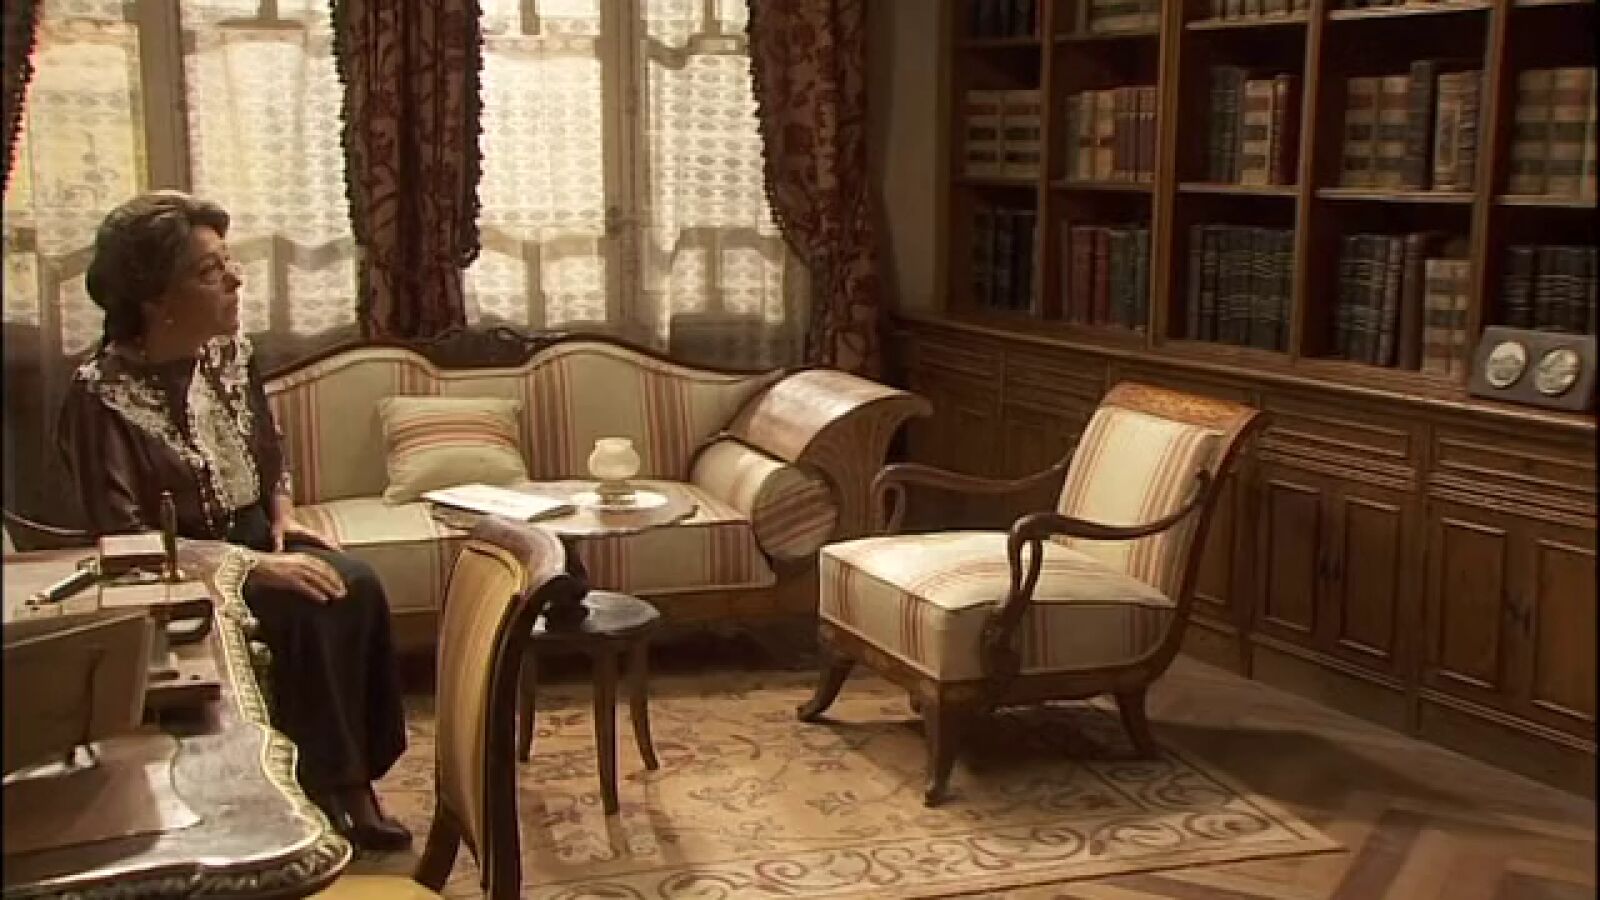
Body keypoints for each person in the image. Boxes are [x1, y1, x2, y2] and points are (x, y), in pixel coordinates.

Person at [57, 191, 411, 852]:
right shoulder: (100, 394)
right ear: (156, 298)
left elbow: (269, 453)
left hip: (254, 536)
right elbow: (124, 538)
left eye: (229, 262)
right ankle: (315, 793)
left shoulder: (231, 356)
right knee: (307, 608)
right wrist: (254, 569)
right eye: (209, 271)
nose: (235, 280)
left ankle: (353, 783)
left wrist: (284, 519)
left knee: (354, 581)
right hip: (178, 574)